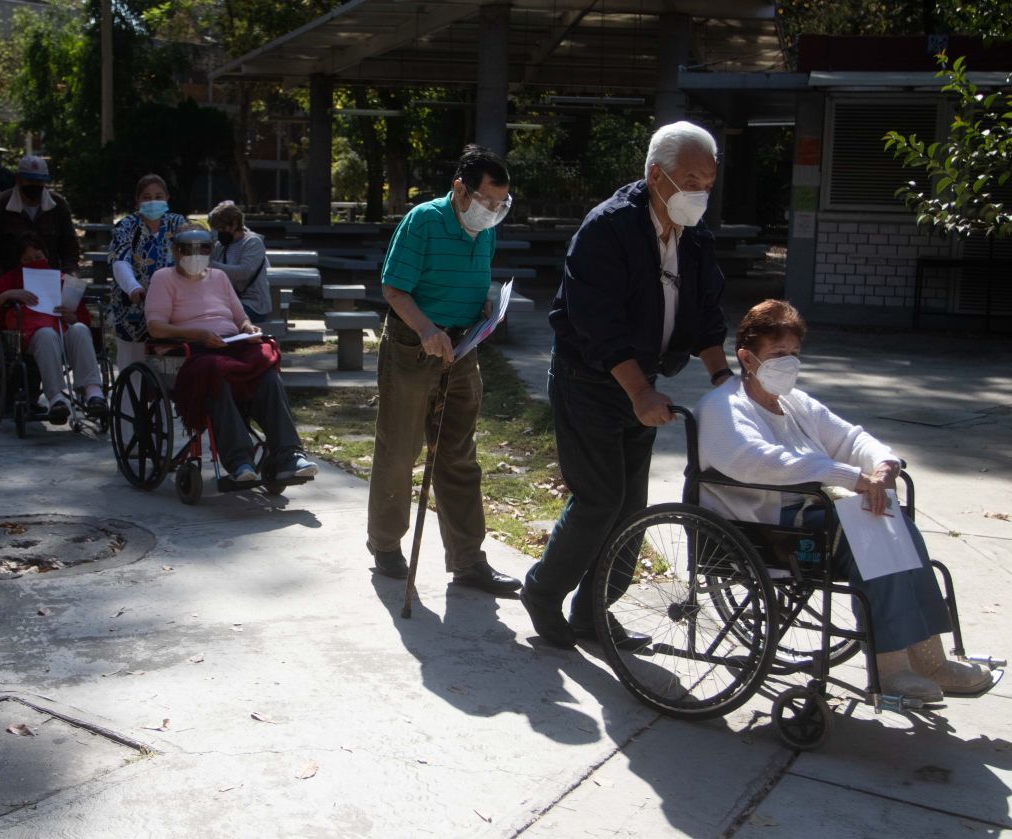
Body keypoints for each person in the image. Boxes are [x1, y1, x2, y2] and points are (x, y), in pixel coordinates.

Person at [696, 299, 992, 701]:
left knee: (893, 519)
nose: (789, 363)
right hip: (762, 523)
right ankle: (891, 665)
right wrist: (848, 477)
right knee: (871, 526)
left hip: (808, 513)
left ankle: (929, 657)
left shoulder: (795, 403)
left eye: (795, 354)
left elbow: (850, 438)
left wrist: (884, 464)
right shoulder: (723, 407)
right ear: (747, 357)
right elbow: (757, 461)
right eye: (778, 354)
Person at [521, 121, 732, 649]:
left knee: (632, 507)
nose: (701, 191)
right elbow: (599, 328)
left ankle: (595, 611)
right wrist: (639, 392)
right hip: (590, 377)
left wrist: (726, 380)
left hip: (646, 377)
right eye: (690, 179)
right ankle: (543, 592)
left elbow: (706, 318)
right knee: (600, 498)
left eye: (709, 180)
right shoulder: (607, 229)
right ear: (656, 176)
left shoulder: (696, 236)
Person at [366, 143, 520, 596]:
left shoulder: (485, 227)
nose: (492, 211)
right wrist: (429, 330)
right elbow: (395, 289)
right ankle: (386, 544)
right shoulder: (424, 221)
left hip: (462, 345)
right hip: (415, 345)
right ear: (460, 188)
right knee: (400, 449)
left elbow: (470, 278)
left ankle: (469, 559)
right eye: (486, 201)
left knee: (458, 454)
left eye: (500, 204)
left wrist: (485, 306)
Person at [144, 226, 317, 482]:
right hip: (192, 350)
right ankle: (240, 462)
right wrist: (199, 334)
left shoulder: (218, 277)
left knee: (266, 370)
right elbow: (155, 327)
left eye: (202, 248)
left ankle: (288, 454)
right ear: (175, 251)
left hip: (231, 344)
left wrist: (248, 328)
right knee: (216, 374)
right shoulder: (163, 278)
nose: (195, 255)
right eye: (187, 249)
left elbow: (240, 317)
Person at [0, 232, 108, 424]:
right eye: (27, 259)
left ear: (46, 256)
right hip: (30, 337)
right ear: (19, 261)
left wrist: (72, 316)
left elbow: (83, 318)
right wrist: (7, 295)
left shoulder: (61, 279)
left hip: (63, 333)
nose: (34, 262)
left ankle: (93, 392)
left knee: (79, 329)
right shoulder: (10, 280)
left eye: (38, 257)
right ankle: (56, 398)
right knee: (46, 334)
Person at [109, 174, 188, 375]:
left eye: (158, 196)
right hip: (132, 309)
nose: (153, 201)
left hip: (172, 308)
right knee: (133, 372)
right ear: (137, 200)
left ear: (167, 198)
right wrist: (133, 288)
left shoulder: (177, 223)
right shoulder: (126, 226)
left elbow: (190, 254)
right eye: (146, 197)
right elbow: (120, 260)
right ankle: (127, 407)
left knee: (170, 373)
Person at [0, 155, 79, 286]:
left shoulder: (58, 206)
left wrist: (69, 275)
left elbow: (70, 247)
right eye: (30, 180)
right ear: (19, 179)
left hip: (50, 284)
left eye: (39, 181)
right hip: (10, 283)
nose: (35, 185)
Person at [208, 200, 271, 324]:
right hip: (227, 302)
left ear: (235, 224)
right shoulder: (221, 245)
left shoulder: (253, 243)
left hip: (253, 304)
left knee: (216, 318)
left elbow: (243, 272)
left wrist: (210, 265)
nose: (219, 232)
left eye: (222, 228)